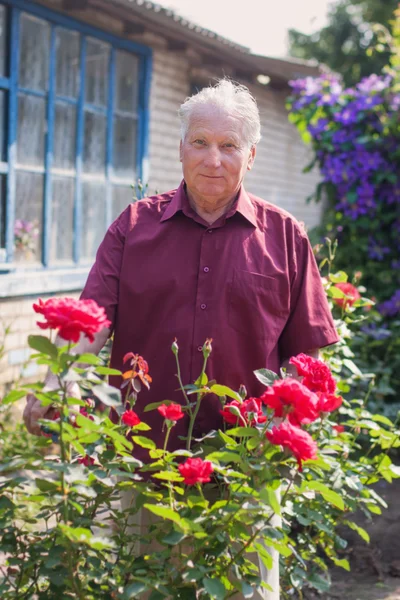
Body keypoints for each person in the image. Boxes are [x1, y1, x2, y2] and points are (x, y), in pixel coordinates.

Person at [24, 79, 339, 599]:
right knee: (150, 589)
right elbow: (94, 320)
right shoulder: (133, 227)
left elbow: (306, 357)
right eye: (200, 142)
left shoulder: (285, 238)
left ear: (252, 155)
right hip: (148, 460)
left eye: (229, 145)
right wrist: (56, 377)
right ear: (180, 148)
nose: (213, 159)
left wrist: (280, 436)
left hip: (247, 466)